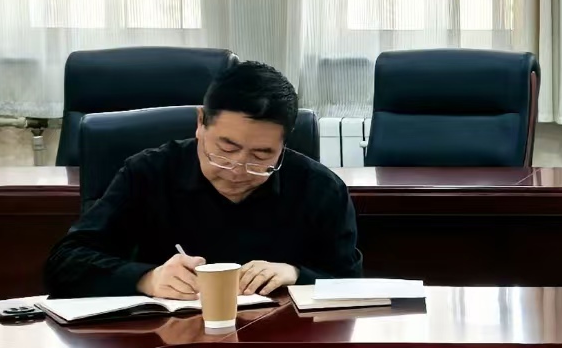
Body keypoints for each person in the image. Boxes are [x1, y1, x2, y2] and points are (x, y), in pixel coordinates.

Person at [44, 59, 364, 299]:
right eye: (226, 148)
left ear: (284, 144)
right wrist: (147, 278)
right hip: (163, 345)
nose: (238, 169)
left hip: (278, 346)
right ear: (200, 122)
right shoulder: (149, 174)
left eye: (262, 155)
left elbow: (353, 285)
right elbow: (64, 264)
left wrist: (296, 274)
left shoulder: (320, 189)